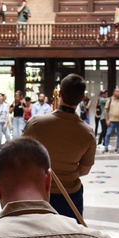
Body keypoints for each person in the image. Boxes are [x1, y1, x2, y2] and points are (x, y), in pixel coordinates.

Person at [22, 74, 96, 221]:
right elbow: (85, 170)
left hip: (40, 192)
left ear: (59, 94)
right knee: (69, 237)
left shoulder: (37, 123)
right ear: (82, 98)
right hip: (70, 194)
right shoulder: (87, 133)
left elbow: (22, 156)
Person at [102, 87, 119, 153]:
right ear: (114, 93)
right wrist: (107, 120)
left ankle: (117, 147)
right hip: (111, 121)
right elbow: (106, 110)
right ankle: (106, 147)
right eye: (117, 92)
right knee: (108, 134)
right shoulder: (109, 100)